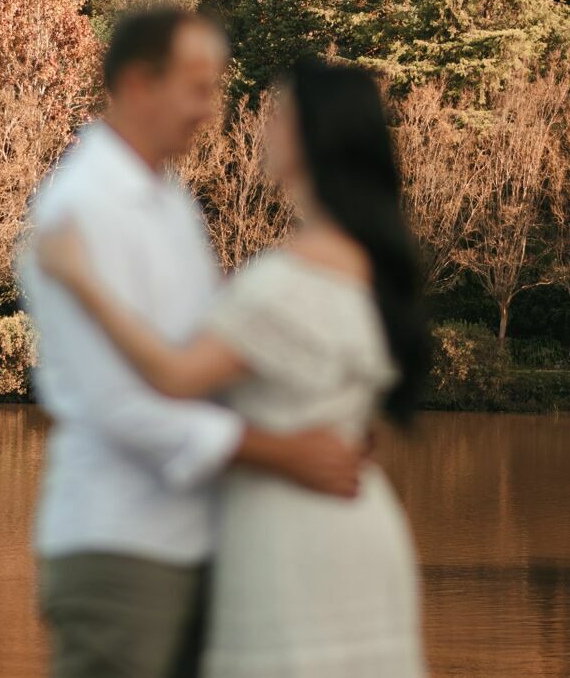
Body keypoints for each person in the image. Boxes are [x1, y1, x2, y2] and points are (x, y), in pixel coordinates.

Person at [34, 53, 432, 678]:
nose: (262, 127)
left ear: (311, 139)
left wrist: (84, 280)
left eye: (278, 116)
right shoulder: (374, 269)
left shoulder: (288, 283)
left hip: (292, 534)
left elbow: (172, 375)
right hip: (362, 523)